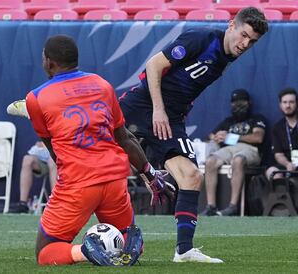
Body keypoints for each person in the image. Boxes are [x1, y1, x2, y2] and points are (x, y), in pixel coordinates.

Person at [119, 7, 268, 263]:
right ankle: (36, 106)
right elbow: (154, 65)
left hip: (171, 118)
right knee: (93, 150)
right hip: (143, 105)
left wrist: (178, 109)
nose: (245, 44)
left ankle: (184, 250)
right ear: (231, 24)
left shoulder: (227, 56)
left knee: (191, 176)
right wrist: (158, 109)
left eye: (252, 41)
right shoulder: (201, 38)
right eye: (243, 35)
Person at [17, 35, 174, 266]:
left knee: (45, 252)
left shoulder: (36, 98)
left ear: (48, 62)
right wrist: (150, 175)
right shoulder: (102, 84)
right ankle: (132, 242)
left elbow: (53, 149)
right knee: (125, 238)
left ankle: (87, 250)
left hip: (78, 182)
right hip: (114, 180)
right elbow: (125, 138)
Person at [201, 89, 267, 216]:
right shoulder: (228, 121)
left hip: (249, 149)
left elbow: (258, 138)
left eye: (242, 102)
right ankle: (211, 206)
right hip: (228, 149)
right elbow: (210, 135)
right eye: (235, 102)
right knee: (210, 162)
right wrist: (216, 137)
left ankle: (233, 206)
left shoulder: (256, 118)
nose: (239, 105)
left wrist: (232, 137)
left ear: (249, 103)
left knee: (238, 160)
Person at [266, 88, 298, 180]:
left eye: (291, 102)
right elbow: (278, 154)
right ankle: (281, 195)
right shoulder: (277, 127)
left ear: (297, 104)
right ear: (280, 105)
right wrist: (288, 164)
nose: (288, 105)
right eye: (284, 102)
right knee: (272, 171)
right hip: (287, 165)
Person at [16, 141, 56, 213]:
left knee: (52, 160)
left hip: (61, 159)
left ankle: (57, 202)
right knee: (27, 159)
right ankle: (23, 204)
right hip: (44, 158)